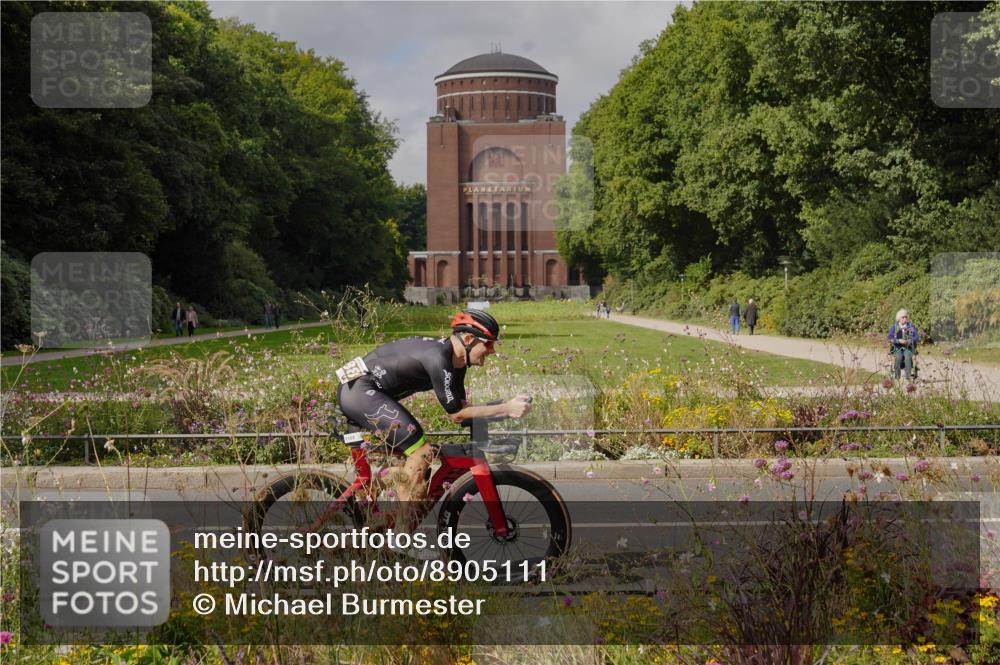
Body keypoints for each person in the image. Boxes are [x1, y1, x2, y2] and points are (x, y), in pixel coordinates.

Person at [335, 309, 531, 508]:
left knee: (414, 458)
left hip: (362, 391)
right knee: (421, 451)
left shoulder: (457, 364)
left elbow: (462, 410)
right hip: (359, 392)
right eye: (488, 343)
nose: (492, 351)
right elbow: (457, 414)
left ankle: (370, 504)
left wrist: (500, 407)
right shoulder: (439, 359)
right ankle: (401, 534)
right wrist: (506, 408)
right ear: (469, 338)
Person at [888, 309, 919, 380]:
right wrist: (898, 341)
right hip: (897, 347)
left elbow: (916, 336)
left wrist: (909, 340)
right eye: (903, 317)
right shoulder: (894, 327)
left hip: (908, 347)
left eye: (906, 317)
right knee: (898, 357)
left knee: (908, 356)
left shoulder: (910, 326)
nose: (905, 319)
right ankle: (897, 377)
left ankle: (908, 378)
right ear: (899, 318)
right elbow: (890, 337)